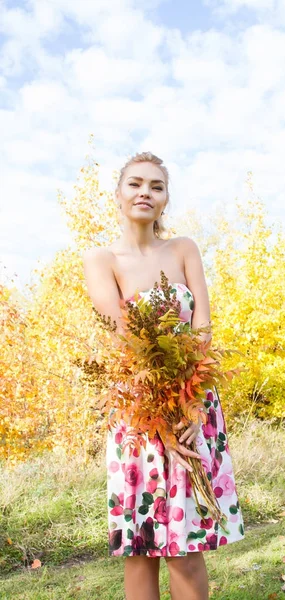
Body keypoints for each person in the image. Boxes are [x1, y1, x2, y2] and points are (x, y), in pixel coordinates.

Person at [83, 151, 244, 600]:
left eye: (156, 186)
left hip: (194, 408)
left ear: (166, 199)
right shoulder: (101, 259)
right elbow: (125, 340)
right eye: (135, 184)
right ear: (118, 195)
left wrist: (191, 407)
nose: (145, 193)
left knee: (187, 550)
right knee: (140, 550)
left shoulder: (183, 249)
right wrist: (162, 409)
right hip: (140, 411)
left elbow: (203, 331)